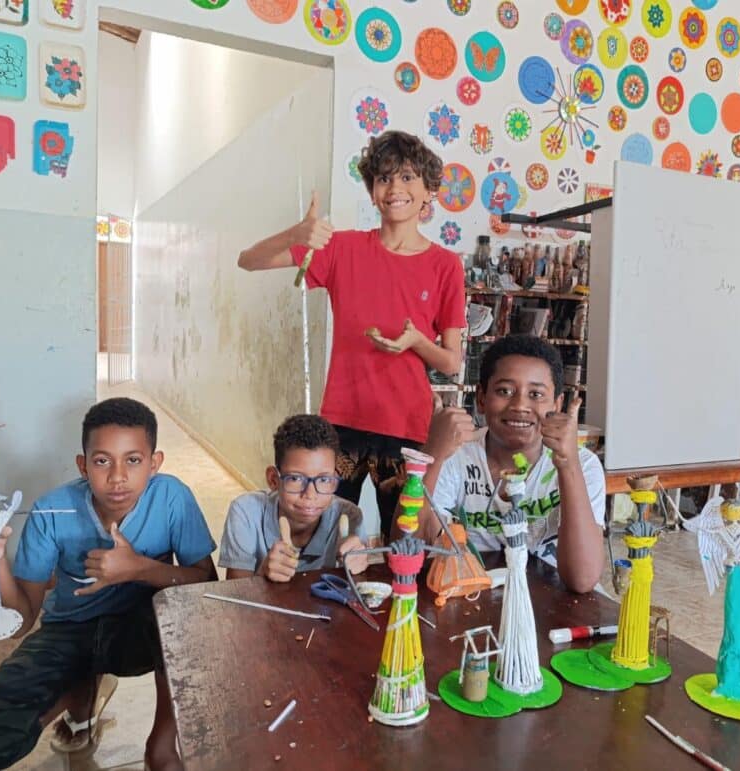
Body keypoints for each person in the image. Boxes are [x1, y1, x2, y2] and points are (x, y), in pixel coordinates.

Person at [0, 397, 217, 771]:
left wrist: (138, 569)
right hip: (70, 630)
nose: (118, 476)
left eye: (133, 460)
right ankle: (84, 692)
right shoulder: (50, 510)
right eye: (102, 461)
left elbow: (205, 583)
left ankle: (161, 741)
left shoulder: (171, 497)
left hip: (144, 629)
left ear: (154, 463)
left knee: (188, 624)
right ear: (83, 464)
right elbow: (22, 620)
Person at [238, 130, 465, 538]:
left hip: (407, 427)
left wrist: (417, 342)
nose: (395, 188)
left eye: (407, 177)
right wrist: (295, 234)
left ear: (429, 190)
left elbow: (452, 362)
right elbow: (248, 261)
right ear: (373, 191)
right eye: (383, 178)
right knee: (321, 533)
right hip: (341, 422)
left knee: (404, 540)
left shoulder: (446, 265)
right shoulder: (342, 248)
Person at [416, 335, 605, 593]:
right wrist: (433, 454)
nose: (520, 406)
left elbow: (582, 580)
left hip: (553, 600)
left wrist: (567, 464)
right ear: (481, 398)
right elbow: (409, 552)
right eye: (504, 391)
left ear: (557, 404)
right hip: (472, 594)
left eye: (536, 394)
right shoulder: (455, 456)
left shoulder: (583, 464)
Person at [219, 414, 368, 580]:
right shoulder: (245, 512)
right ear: (274, 480)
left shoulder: (349, 516)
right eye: (296, 479)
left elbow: (360, 588)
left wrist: (358, 566)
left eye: (324, 480)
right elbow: (236, 590)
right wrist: (262, 575)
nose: (310, 495)